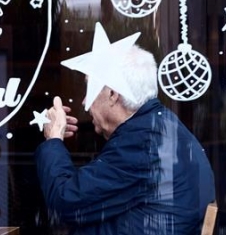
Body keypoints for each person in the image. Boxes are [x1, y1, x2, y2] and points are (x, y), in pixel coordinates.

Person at [35, 45, 215, 235]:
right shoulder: (158, 128)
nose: (84, 101)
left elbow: (66, 202)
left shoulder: (142, 142)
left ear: (113, 94)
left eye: (90, 88)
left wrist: (53, 137)